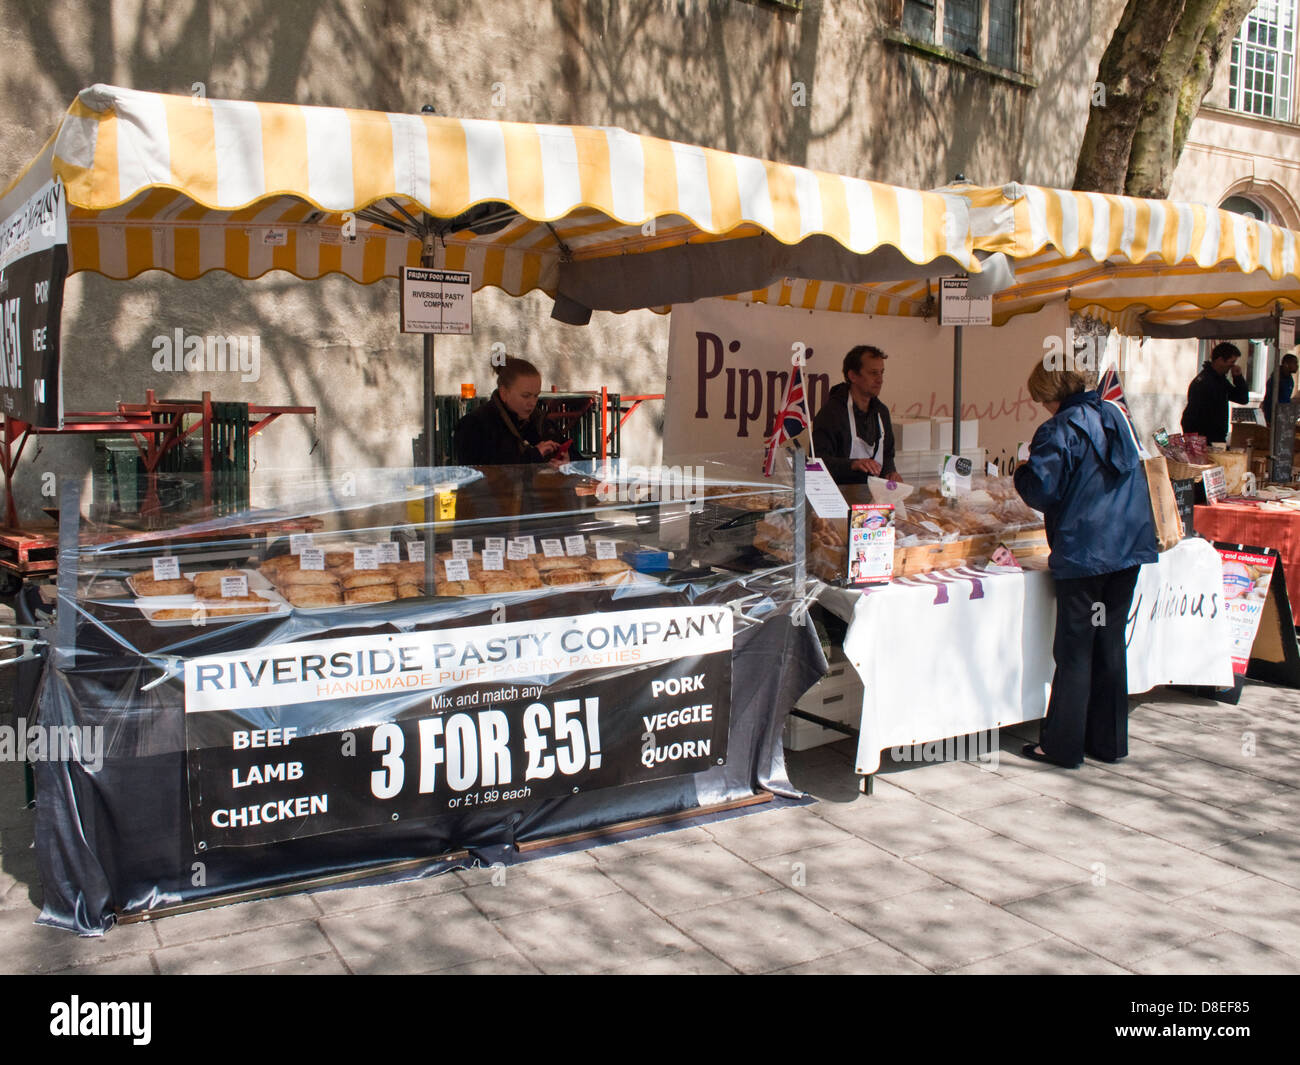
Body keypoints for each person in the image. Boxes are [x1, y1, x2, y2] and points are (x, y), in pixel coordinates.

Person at [1014, 360, 1158, 769]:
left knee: (1076, 649)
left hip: (1087, 551)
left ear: (1049, 392)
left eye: (1041, 399)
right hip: (1127, 547)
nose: (1042, 407)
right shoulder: (1114, 414)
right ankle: (1108, 742)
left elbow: (1042, 489)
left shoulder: (1060, 428)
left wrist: (1022, 471)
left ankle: (1061, 746)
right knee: (1109, 643)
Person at [453, 356, 569, 466]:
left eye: (536, 396)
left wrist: (565, 461)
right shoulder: (475, 425)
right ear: (504, 393)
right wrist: (533, 456)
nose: (532, 403)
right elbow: (480, 474)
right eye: (525, 396)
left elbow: (573, 456)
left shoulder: (541, 422)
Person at [811, 345, 898, 484]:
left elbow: (887, 454)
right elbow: (817, 461)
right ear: (853, 376)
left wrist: (890, 472)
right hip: (839, 497)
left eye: (882, 372)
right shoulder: (831, 414)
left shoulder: (882, 412)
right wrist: (852, 464)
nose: (880, 379)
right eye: (873, 373)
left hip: (874, 498)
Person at [1180, 341, 1250, 443]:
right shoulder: (1204, 382)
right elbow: (1190, 416)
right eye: (1231, 362)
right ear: (1220, 360)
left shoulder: (1220, 380)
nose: (1232, 367)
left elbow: (1242, 399)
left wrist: (1238, 378)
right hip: (1205, 439)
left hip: (1217, 437)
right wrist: (1195, 442)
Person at [1261, 352, 1298, 426]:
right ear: (1286, 364)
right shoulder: (1276, 379)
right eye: (1295, 363)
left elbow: (1286, 398)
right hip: (1273, 416)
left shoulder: (1289, 379)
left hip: (1284, 414)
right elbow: (1270, 400)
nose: (1297, 366)